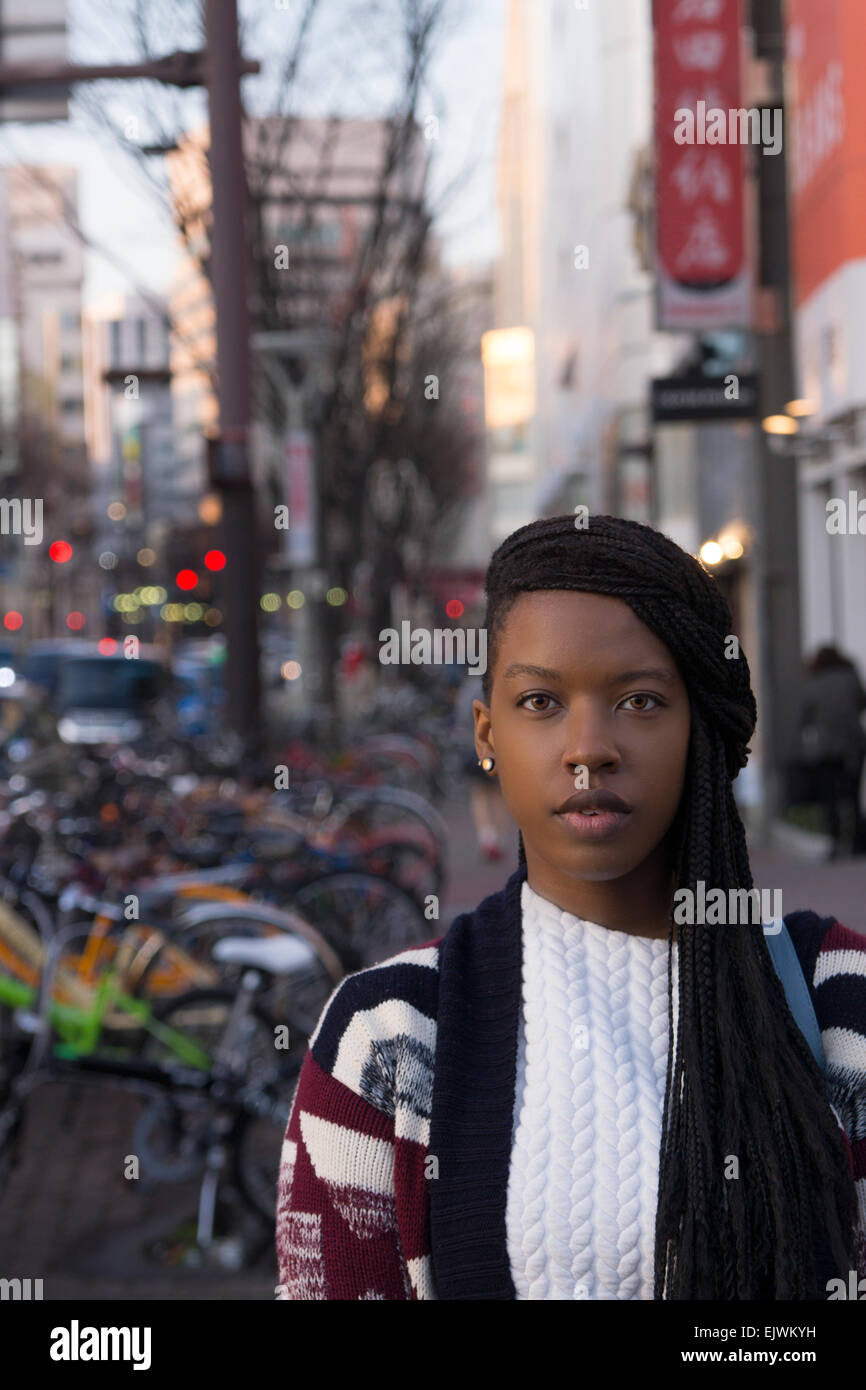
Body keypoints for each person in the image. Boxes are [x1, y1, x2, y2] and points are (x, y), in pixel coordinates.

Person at [275, 514, 866, 1300]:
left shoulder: (840, 1003)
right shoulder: (388, 1035)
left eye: (642, 701)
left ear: (703, 730)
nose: (589, 747)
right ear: (487, 733)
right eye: (542, 701)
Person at [798, 644, 866, 858]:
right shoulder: (850, 678)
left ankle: (835, 843)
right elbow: (862, 704)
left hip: (826, 749)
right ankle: (857, 844)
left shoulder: (813, 683)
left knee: (830, 799)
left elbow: (805, 719)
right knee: (853, 797)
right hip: (854, 745)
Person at [453, 670, 513, 859]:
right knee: (498, 794)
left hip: (473, 749)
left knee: (479, 793)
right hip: (495, 748)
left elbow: (460, 720)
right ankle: (501, 839)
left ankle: (486, 836)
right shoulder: (497, 688)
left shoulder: (466, 690)